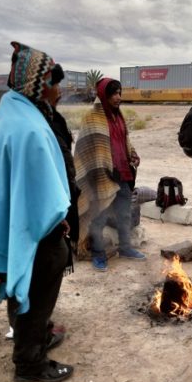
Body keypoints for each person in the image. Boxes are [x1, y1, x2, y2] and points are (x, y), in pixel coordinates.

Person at [0, 41, 74, 382]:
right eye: (57, 84)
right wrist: (57, 221)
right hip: (38, 235)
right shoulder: (28, 128)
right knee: (35, 299)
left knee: (22, 294)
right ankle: (29, 365)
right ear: (42, 85)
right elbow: (39, 198)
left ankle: (34, 341)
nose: (60, 92)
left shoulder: (10, 114)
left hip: (19, 227)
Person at [74, 77, 144, 271]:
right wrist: (102, 166)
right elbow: (85, 149)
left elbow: (125, 141)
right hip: (102, 177)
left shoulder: (119, 115)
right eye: (113, 93)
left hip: (123, 174)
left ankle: (125, 248)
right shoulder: (91, 118)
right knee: (99, 216)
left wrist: (133, 155)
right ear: (103, 95)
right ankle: (98, 254)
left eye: (119, 93)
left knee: (124, 214)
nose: (118, 97)